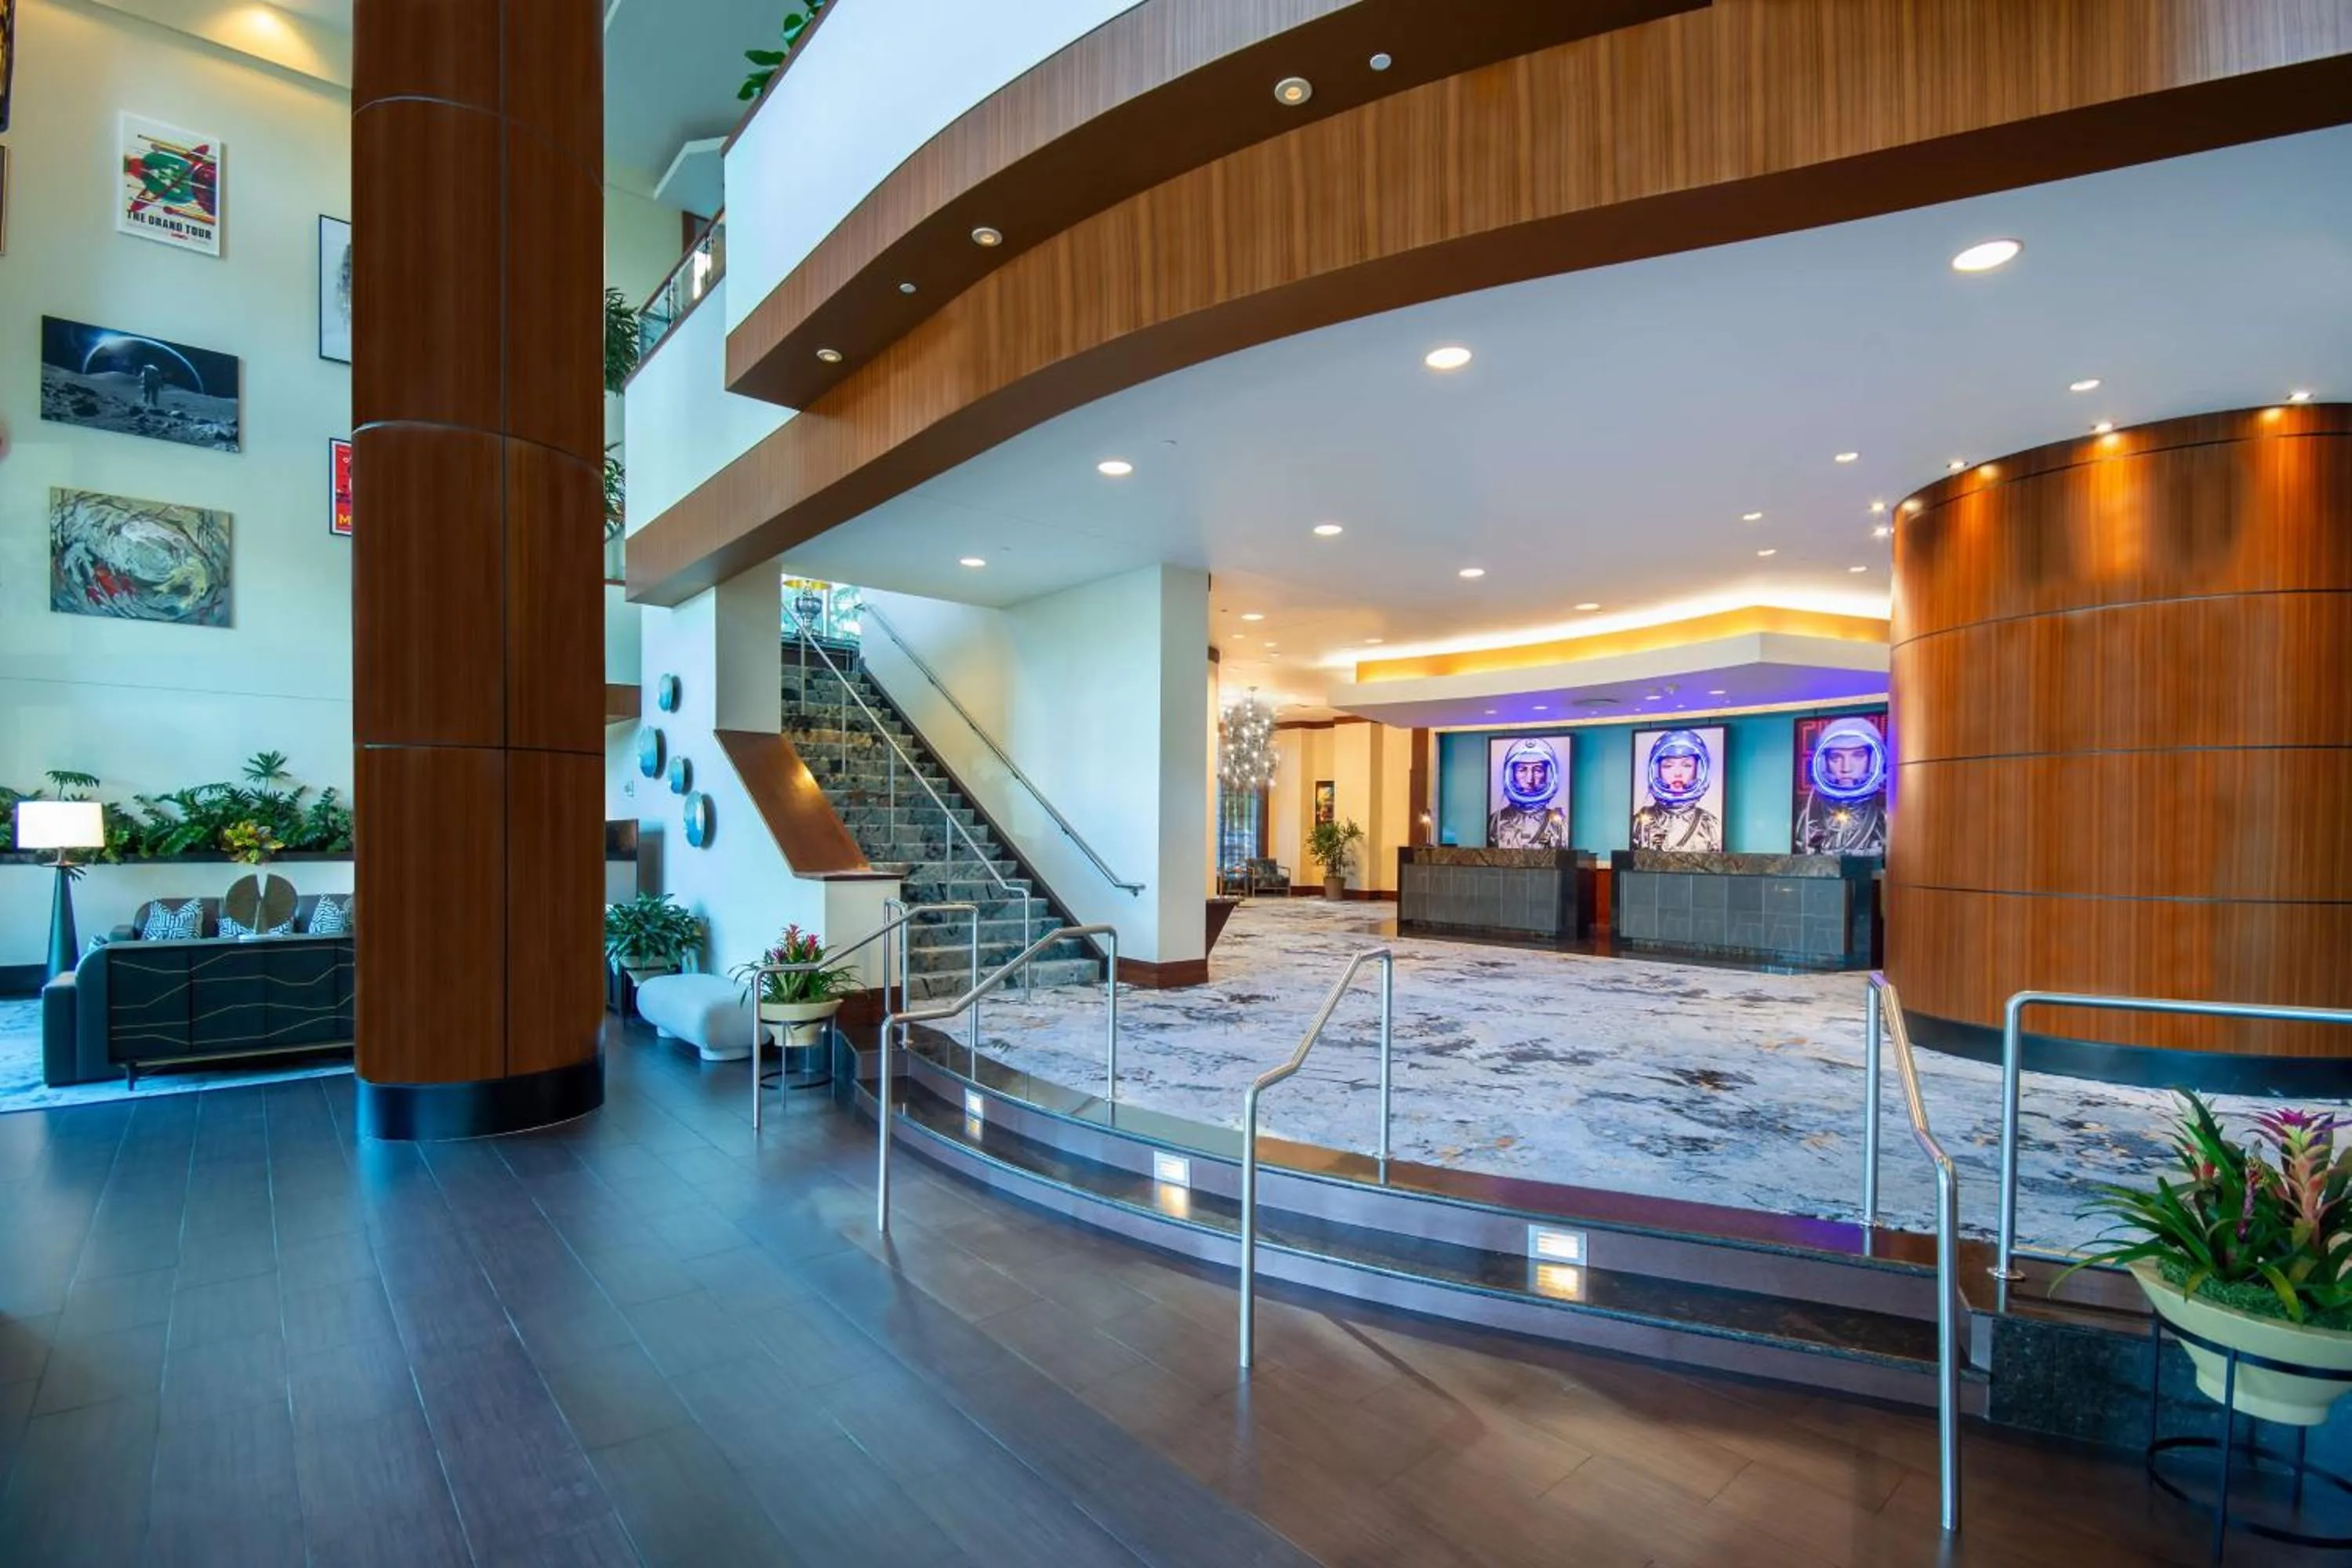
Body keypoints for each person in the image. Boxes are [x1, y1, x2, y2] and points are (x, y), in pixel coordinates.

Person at [1794, 715, 1889, 855]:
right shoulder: (1807, 820)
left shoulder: (1885, 820)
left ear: (1873, 761)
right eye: (1836, 757)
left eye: (1858, 756)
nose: (1846, 767)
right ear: (1823, 763)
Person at [1630, 729, 1722, 851]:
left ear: (1698, 771)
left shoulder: (1710, 825)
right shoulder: (1640, 822)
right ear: (1657, 770)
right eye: (1668, 766)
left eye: (1687, 765)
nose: (1677, 773)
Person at [1487, 737, 1566, 848]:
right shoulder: (1496, 821)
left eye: (1538, 770)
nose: (1530, 779)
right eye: (1522, 770)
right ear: (1512, 774)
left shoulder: (1560, 823)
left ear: (1548, 774)